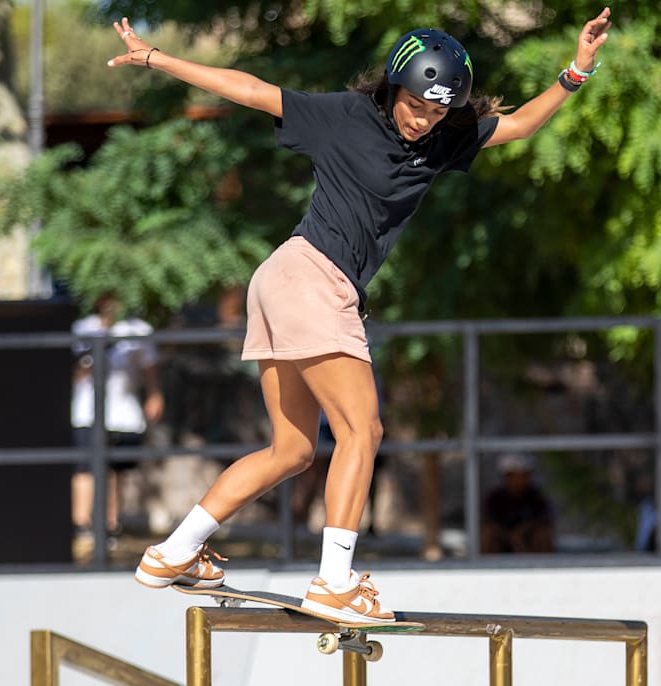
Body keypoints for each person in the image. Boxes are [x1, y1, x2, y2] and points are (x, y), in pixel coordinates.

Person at [111, 9, 610, 623]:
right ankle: (335, 581)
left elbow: (523, 125)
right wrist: (157, 58)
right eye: (414, 106)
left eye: (436, 111)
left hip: (286, 282)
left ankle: (174, 552)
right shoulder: (343, 117)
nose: (423, 120)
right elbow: (251, 89)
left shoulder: (448, 135)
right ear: (393, 89)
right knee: (362, 431)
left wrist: (576, 70)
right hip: (311, 279)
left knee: (292, 449)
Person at [70, 292, 165, 558]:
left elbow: (150, 367)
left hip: (123, 414)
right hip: (86, 411)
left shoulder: (138, 329)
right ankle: (81, 526)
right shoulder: (83, 328)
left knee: (114, 470)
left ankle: (110, 526)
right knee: (85, 469)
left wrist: (155, 395)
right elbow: (77, 372)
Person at [481, 453, 555, 554]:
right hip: (502, 541)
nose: (519, 479)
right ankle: (486, 567)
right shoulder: (495, 498)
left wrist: (522, 531)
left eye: (524, 475)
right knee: (488, 534)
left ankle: (545, 566)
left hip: (528, 541)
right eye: (515, 475)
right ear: (507, 476)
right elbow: (489, 522)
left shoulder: (536, 496)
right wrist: (510, 536)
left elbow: (543, 520)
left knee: (543, 534)